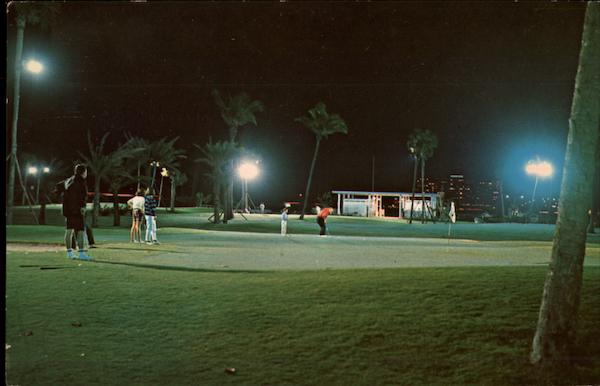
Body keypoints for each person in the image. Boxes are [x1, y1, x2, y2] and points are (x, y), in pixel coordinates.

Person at [58, 164, 92, 260]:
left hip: (68, 210)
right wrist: (82, 207)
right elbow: (81, 196)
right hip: (76, 210)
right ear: (83, 172)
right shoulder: (80, 182)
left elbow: (59, 187)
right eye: (86, 172)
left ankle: (69, 253)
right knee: (80, 231)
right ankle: (81, 253)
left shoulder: (69, 180)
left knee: (69, 230)